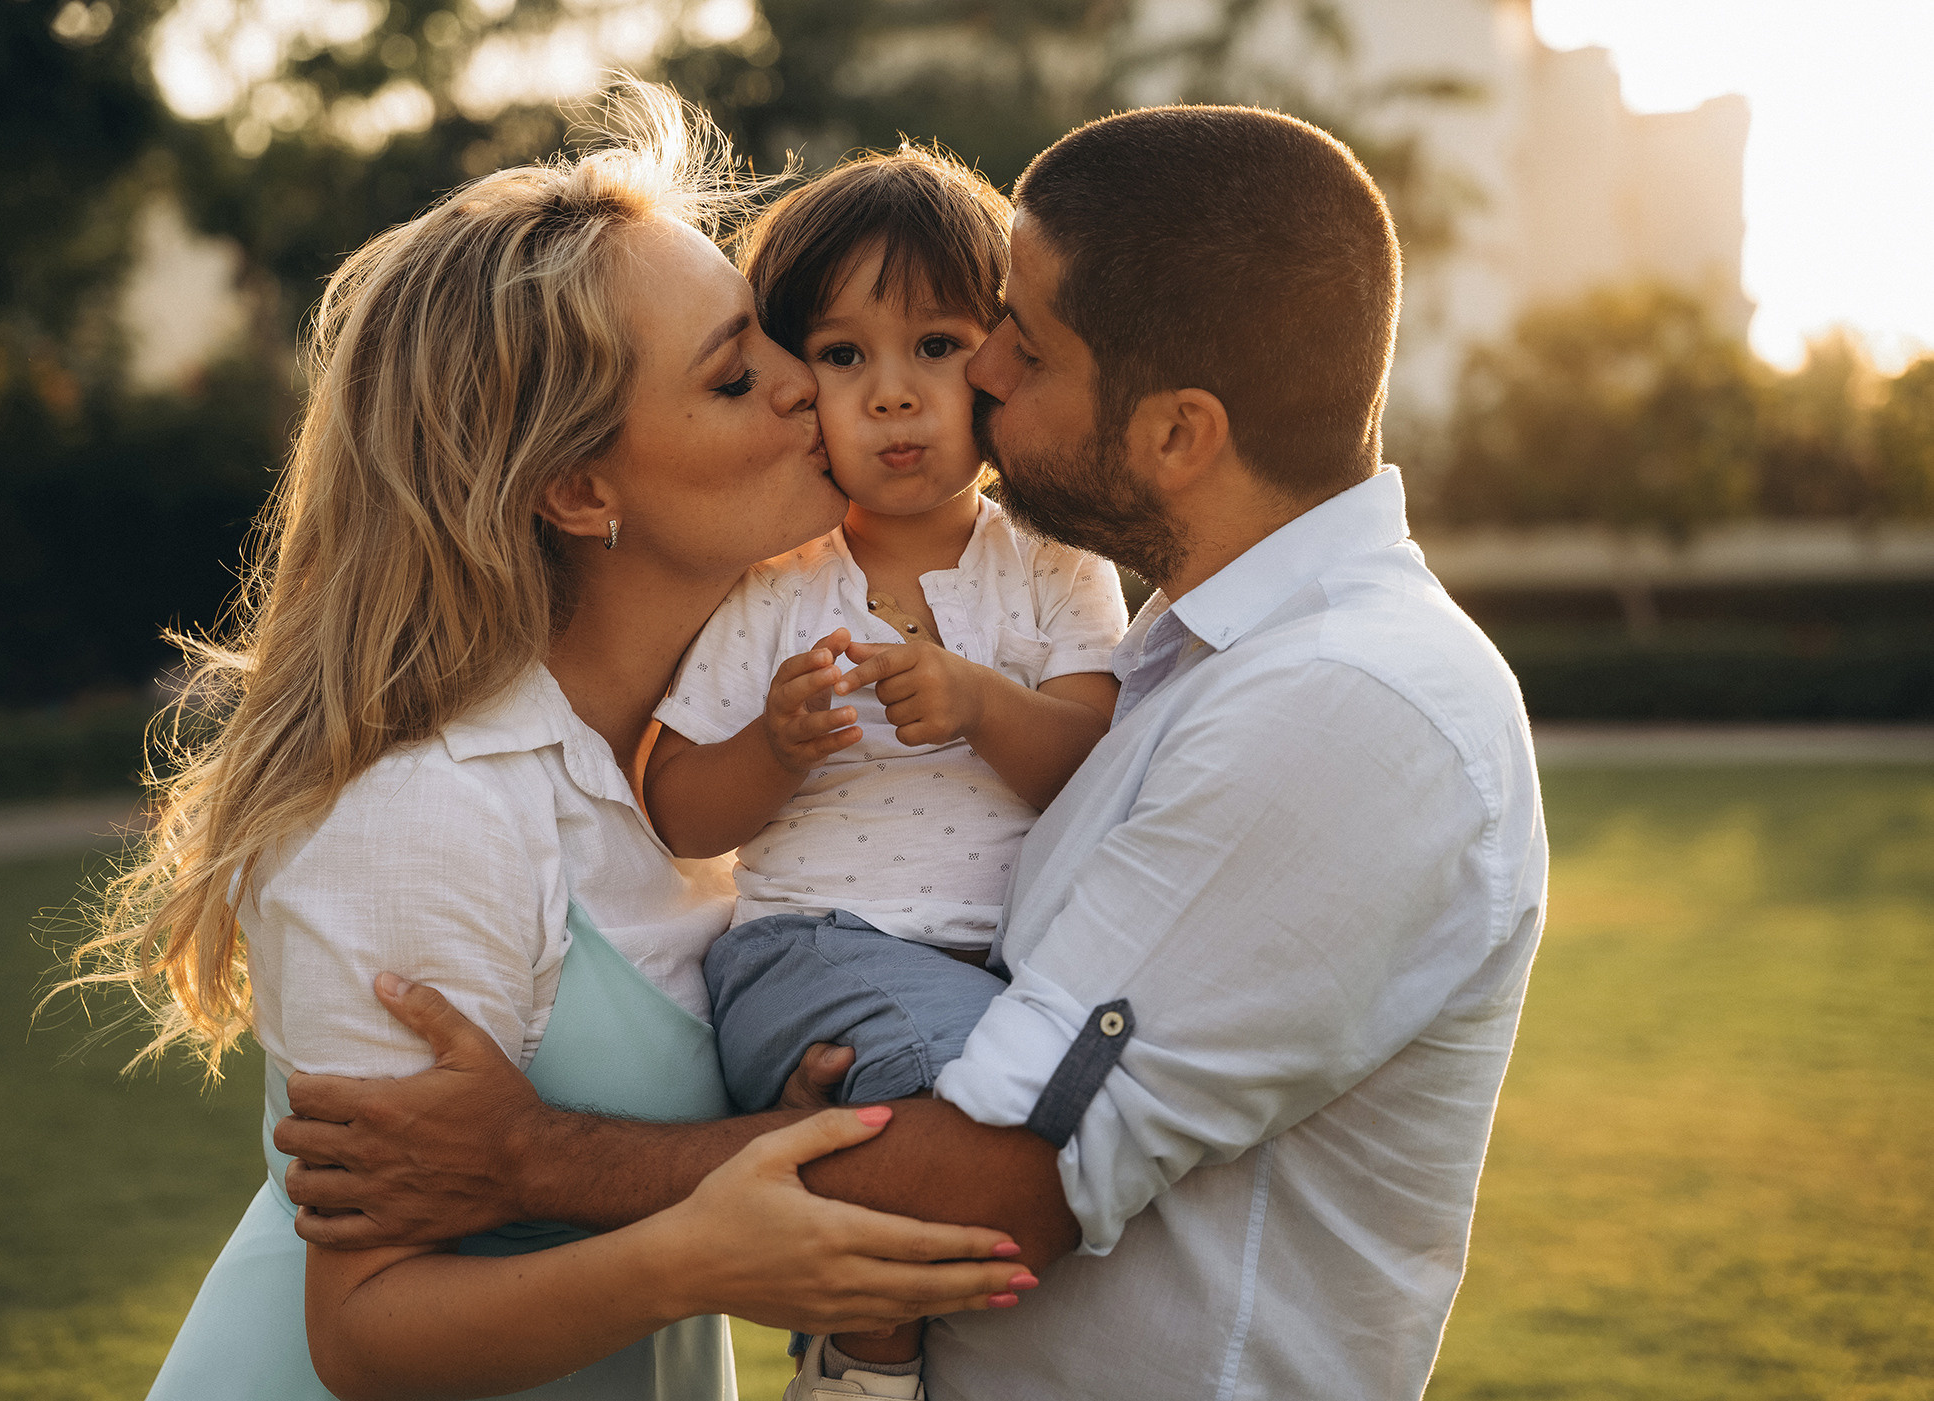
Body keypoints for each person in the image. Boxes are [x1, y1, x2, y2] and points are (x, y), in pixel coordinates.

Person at [276, 103, 1549, 1401]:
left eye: (1015, 344)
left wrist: (536, 1157)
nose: (968, 378)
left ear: (1177, 433)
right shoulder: (1187, 655)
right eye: (769, 359)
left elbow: (992, 1177)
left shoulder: (1335, 699)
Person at [63, 85, 1038, 1401]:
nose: (819, 385)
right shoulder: (430, 808)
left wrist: (764, 1145)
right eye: (739, 374)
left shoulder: (734, 745)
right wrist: (703, 1252)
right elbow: (367, 1332)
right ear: (581, 490)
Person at [642, 148, 1129, 1391]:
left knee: (1046, 1094)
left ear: (1003, 360)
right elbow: (680, 806)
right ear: (795, 386)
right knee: (985, 1104)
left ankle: (857, 1316)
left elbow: (1094, 763)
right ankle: (857, 1362)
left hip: (996, 962)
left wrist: (977, 702)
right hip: (811, 951)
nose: (894, 398)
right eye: (846, 358)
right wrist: (775, 749)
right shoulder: (774, 584)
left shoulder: (1054, 565)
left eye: (936, 346)